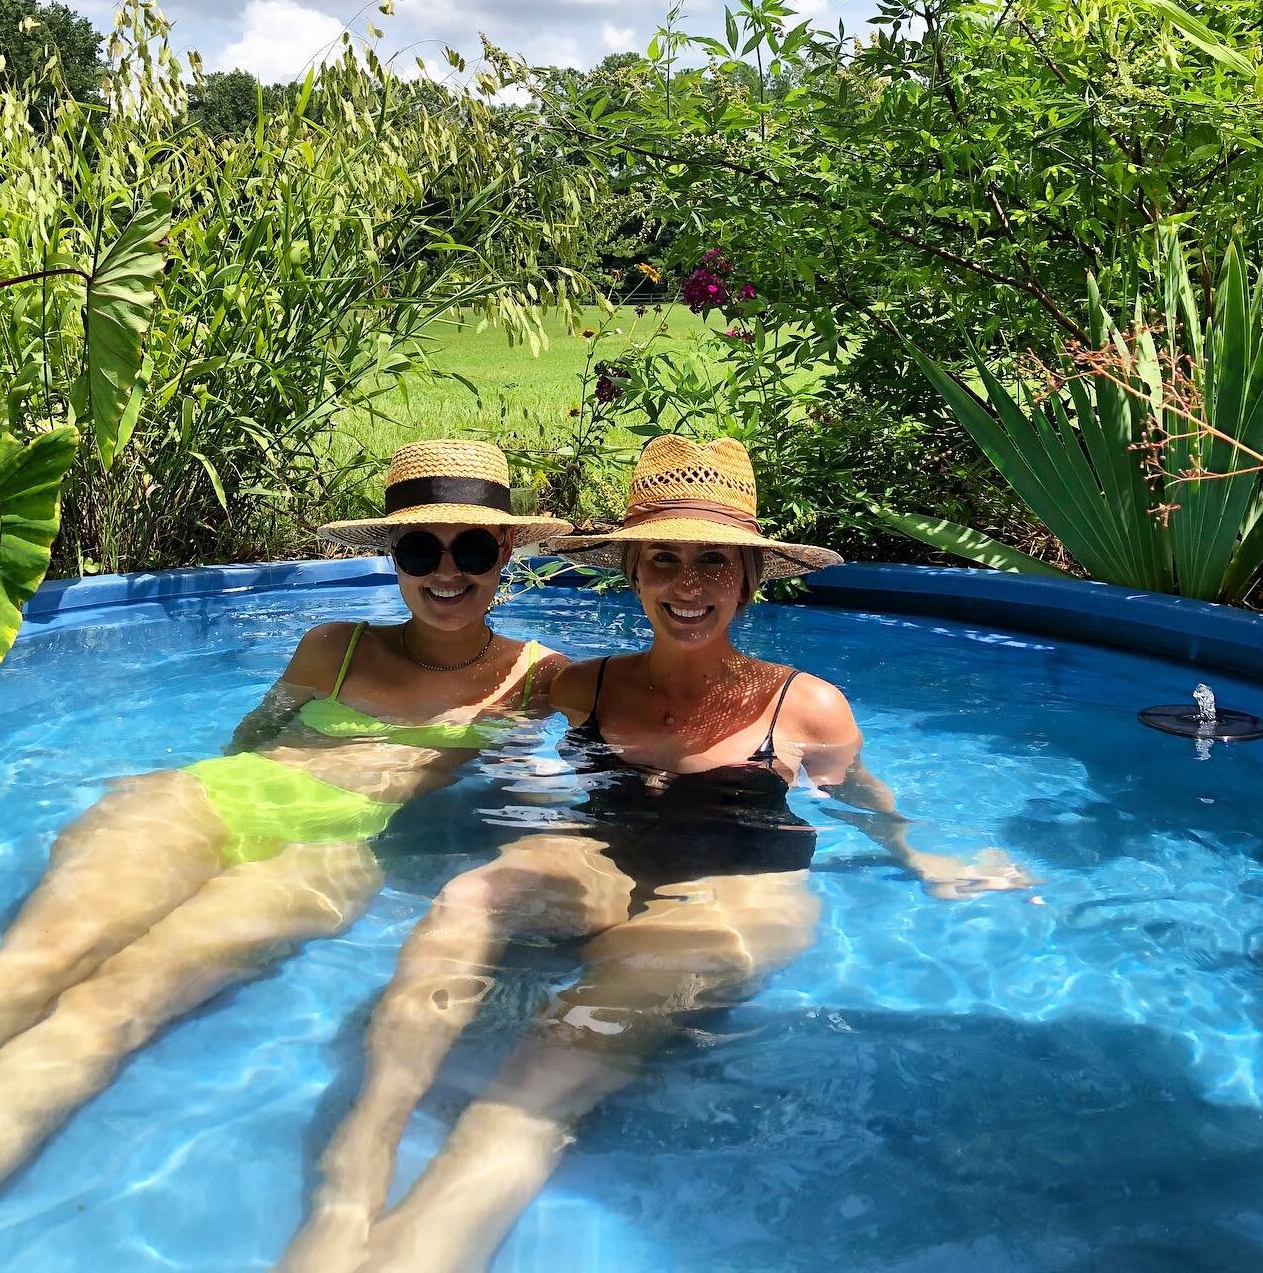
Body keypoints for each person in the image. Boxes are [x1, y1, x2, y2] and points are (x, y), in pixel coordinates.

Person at [284, 435, 1030, 1273]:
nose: (687, 585)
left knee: (560, 1045)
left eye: (714, 562)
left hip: (735, 887)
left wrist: (920, 855)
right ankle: (361, 1156)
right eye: (663, 559)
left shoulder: (807, 706)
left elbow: (860, 795)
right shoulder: (583, 686)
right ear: (631, 573)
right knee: (468, 900)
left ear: (749, 581)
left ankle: (413, 1252)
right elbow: (498, 754)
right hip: (603, 859)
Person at [0, 440, 568, 1269]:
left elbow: (538, 794)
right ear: (392, 558)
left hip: (326, 850)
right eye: (420, 548)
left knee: (109, 1011)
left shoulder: (535, 677)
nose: (445, 572)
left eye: (473, 548)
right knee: (26, 968)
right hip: (200, 802)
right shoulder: (331, 645)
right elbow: (247, 746)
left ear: (507, 554)